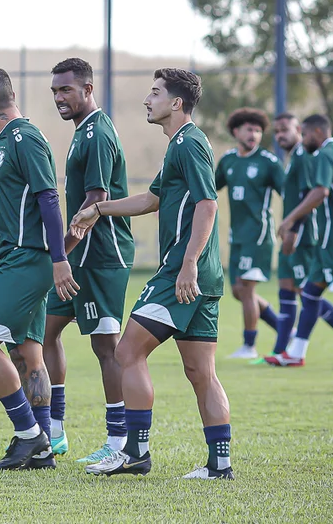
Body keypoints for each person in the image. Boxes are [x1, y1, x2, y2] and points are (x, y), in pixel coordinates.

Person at [70, 68, 234, 480]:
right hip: (204, 277)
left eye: (156, 93)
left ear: (176, 103)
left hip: (183, 272)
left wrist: (189, 263)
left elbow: (208, 204)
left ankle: (134, 454)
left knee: (127, 352)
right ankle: (220, 465)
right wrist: (99, 209)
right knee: (200, 371)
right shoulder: (179, 144)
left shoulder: (191, 143)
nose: (147, 99)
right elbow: (151, 199)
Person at [0, 66, 75, 471]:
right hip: (16, 255)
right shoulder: (7, 141)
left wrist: (59, 259)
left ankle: (30, 436)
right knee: (26, 353)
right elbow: (8, 206)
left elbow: (49, 199)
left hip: (26, 258)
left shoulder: (23, 138)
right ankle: (41, 447)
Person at [42, 58, 133, 463]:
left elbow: (96, 202)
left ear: (87, 88)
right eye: (55, 91)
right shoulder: (82, 131)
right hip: (81, 255)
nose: (59, 98)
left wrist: (61, 253)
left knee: (105, 347)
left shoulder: (97, 133)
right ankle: (54, 430)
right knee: (44, 330)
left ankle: (118, 442)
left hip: (101, 255)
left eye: (66, 90)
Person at [266, 114, 333, 368]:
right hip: (331, 236)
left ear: (318, 131)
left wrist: (289, 220)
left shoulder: (326, 154)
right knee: (311, 292)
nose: (303, 140)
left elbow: (319, 192)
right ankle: (296, 352)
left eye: (305, 135)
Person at [215, 108, 285, 360]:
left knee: (246, 290)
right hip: (237, 237)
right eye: (249, 129)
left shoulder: (268, 162)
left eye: (258, 130)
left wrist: (290, 225)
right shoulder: (228, 160)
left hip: (259, 236)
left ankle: (249, 346)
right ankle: (285, 330)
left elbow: (288, 193)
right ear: (236, 132)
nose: (254, 134)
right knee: (238, 291)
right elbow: (210, 189)